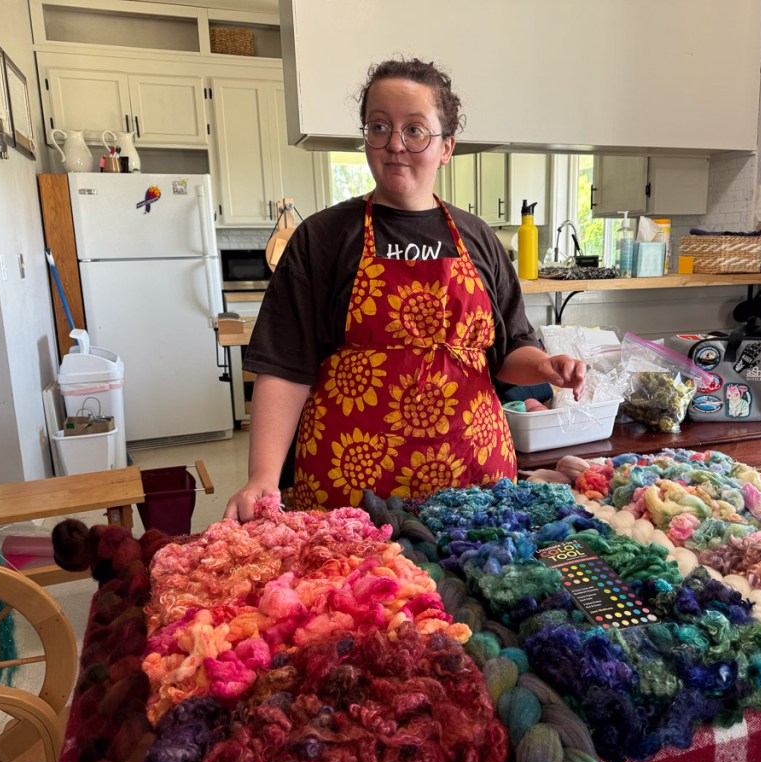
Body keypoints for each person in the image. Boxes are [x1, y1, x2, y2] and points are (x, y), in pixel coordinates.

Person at [225, 57, 585, 522]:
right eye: (379, 127)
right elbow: (284, 366)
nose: (395, 144)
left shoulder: (478, 239)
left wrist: (545, 365)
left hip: (473, 483)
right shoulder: (323, 238)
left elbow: (508, 351)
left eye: (415, 130)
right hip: (350, 491)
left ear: (446, 146)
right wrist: (263, 478)